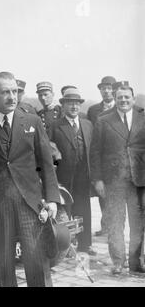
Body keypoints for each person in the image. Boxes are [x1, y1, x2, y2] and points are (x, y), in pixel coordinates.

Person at [0, 71, 60, 287]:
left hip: (30, 203)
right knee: (4, 265)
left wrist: (52, 198)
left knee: (37, 261)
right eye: (5, 92)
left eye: (14, 91)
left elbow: (46, 163)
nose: (12, 97)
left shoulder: (33, 121)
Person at [90, 81, 145, 275]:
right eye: (119, 97)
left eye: (126, 97)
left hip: (139, 181)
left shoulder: (143, 116)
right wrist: (97, 179)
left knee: (138, 224)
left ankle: (136, 262)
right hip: (113, 181)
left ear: (133, 98)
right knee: (115, 223)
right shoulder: (104, 120)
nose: (123, 100)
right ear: (115, 98)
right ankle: (118, 262)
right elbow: (95, 152)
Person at [49, 88, 96, 255]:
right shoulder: (55, 126)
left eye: (77, 104)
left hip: (84, 176)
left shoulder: (88, 124)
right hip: (64, 176)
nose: (74, 107)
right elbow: (49, 149)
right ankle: (66, 246)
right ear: (63, 106)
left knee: (84, 210)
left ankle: (85, 244)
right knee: (65, 212)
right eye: (70, 104)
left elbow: (94, 149)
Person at [87, 76, 116, 236]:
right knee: (103, 193)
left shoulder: (122, 107)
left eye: (109, 87)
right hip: (101, 159)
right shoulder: (93, 110)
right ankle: (106, 227)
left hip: (118, 158)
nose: (106, 91)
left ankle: (115, 228)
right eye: (103, 88)